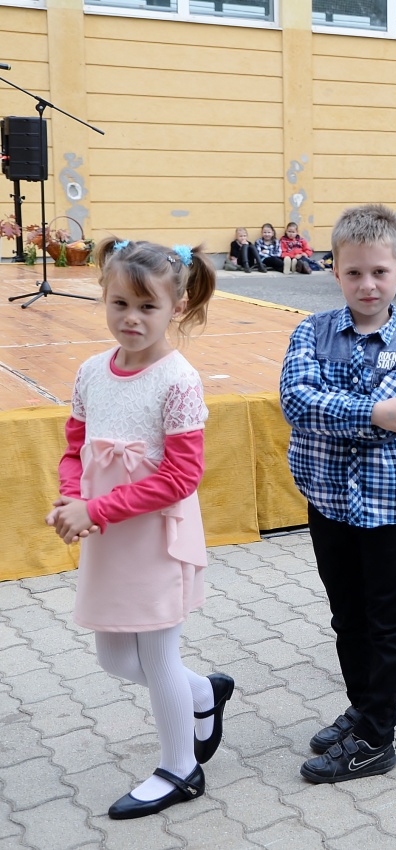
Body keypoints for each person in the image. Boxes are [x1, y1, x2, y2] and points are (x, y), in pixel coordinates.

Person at [48, 238, 229, 819]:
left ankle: (181, 768)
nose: (131, 318)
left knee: (156, 655)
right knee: (115, 659)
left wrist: (94, 510)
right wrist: (71, 497)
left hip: (155, 535)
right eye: (120, 303)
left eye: (147, 307)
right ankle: (202, 691)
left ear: (175, 307)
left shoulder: (178, 381)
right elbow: (74, 448)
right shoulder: (89, 371)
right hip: (107, 536)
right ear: (103, 297)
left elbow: (181, 477)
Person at [279, 204, 396, 783]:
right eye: (355, 273)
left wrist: (338, 410)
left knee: (387, 621)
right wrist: (370, 410)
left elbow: (389, 415)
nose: (368, 285)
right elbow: (295, 403)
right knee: (347, 618)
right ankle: (363, 707)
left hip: (387, 507)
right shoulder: (309, 331)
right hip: (329, 504)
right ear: (335, 272)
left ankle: (377, 737)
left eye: (379, 273)